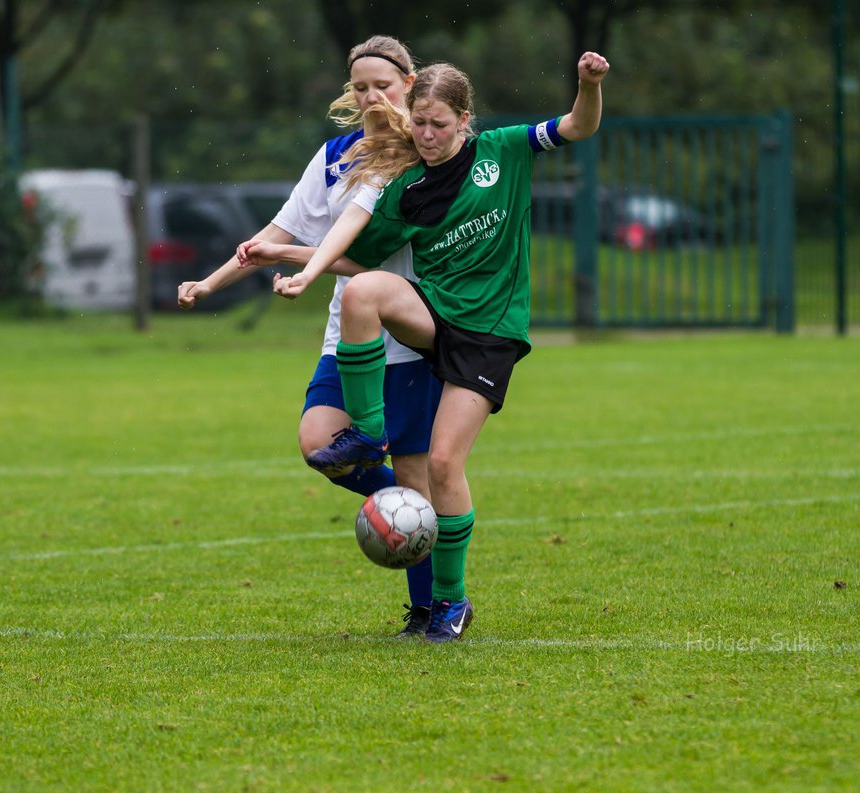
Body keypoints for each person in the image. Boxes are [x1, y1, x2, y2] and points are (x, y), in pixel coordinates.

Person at [261, 52, 611, 642]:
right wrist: (290, 256)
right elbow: (359, 256)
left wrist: (588, 85)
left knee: (445, 465)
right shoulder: (408, 188)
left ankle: (450, 604)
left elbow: (578, 125)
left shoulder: (504, 150)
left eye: (439, 125)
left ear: (465, 120)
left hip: (489, 332)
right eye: (418, 122)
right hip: (436, 317)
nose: (425, 135)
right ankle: (369, 432)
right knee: (363, 292)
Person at [177, 36, 443, 637]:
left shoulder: (427, 155)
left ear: (409, 82)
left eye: (384, 84)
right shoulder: (335, 155)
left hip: (409, 331)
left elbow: (356, 252)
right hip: (346, 333)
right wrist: (208, 283)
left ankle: (431, 607)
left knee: (413, 469)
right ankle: (411, 515)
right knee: (318, 440)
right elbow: (275, 232)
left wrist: (302, 263)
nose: (373, 96)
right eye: (361, 86)